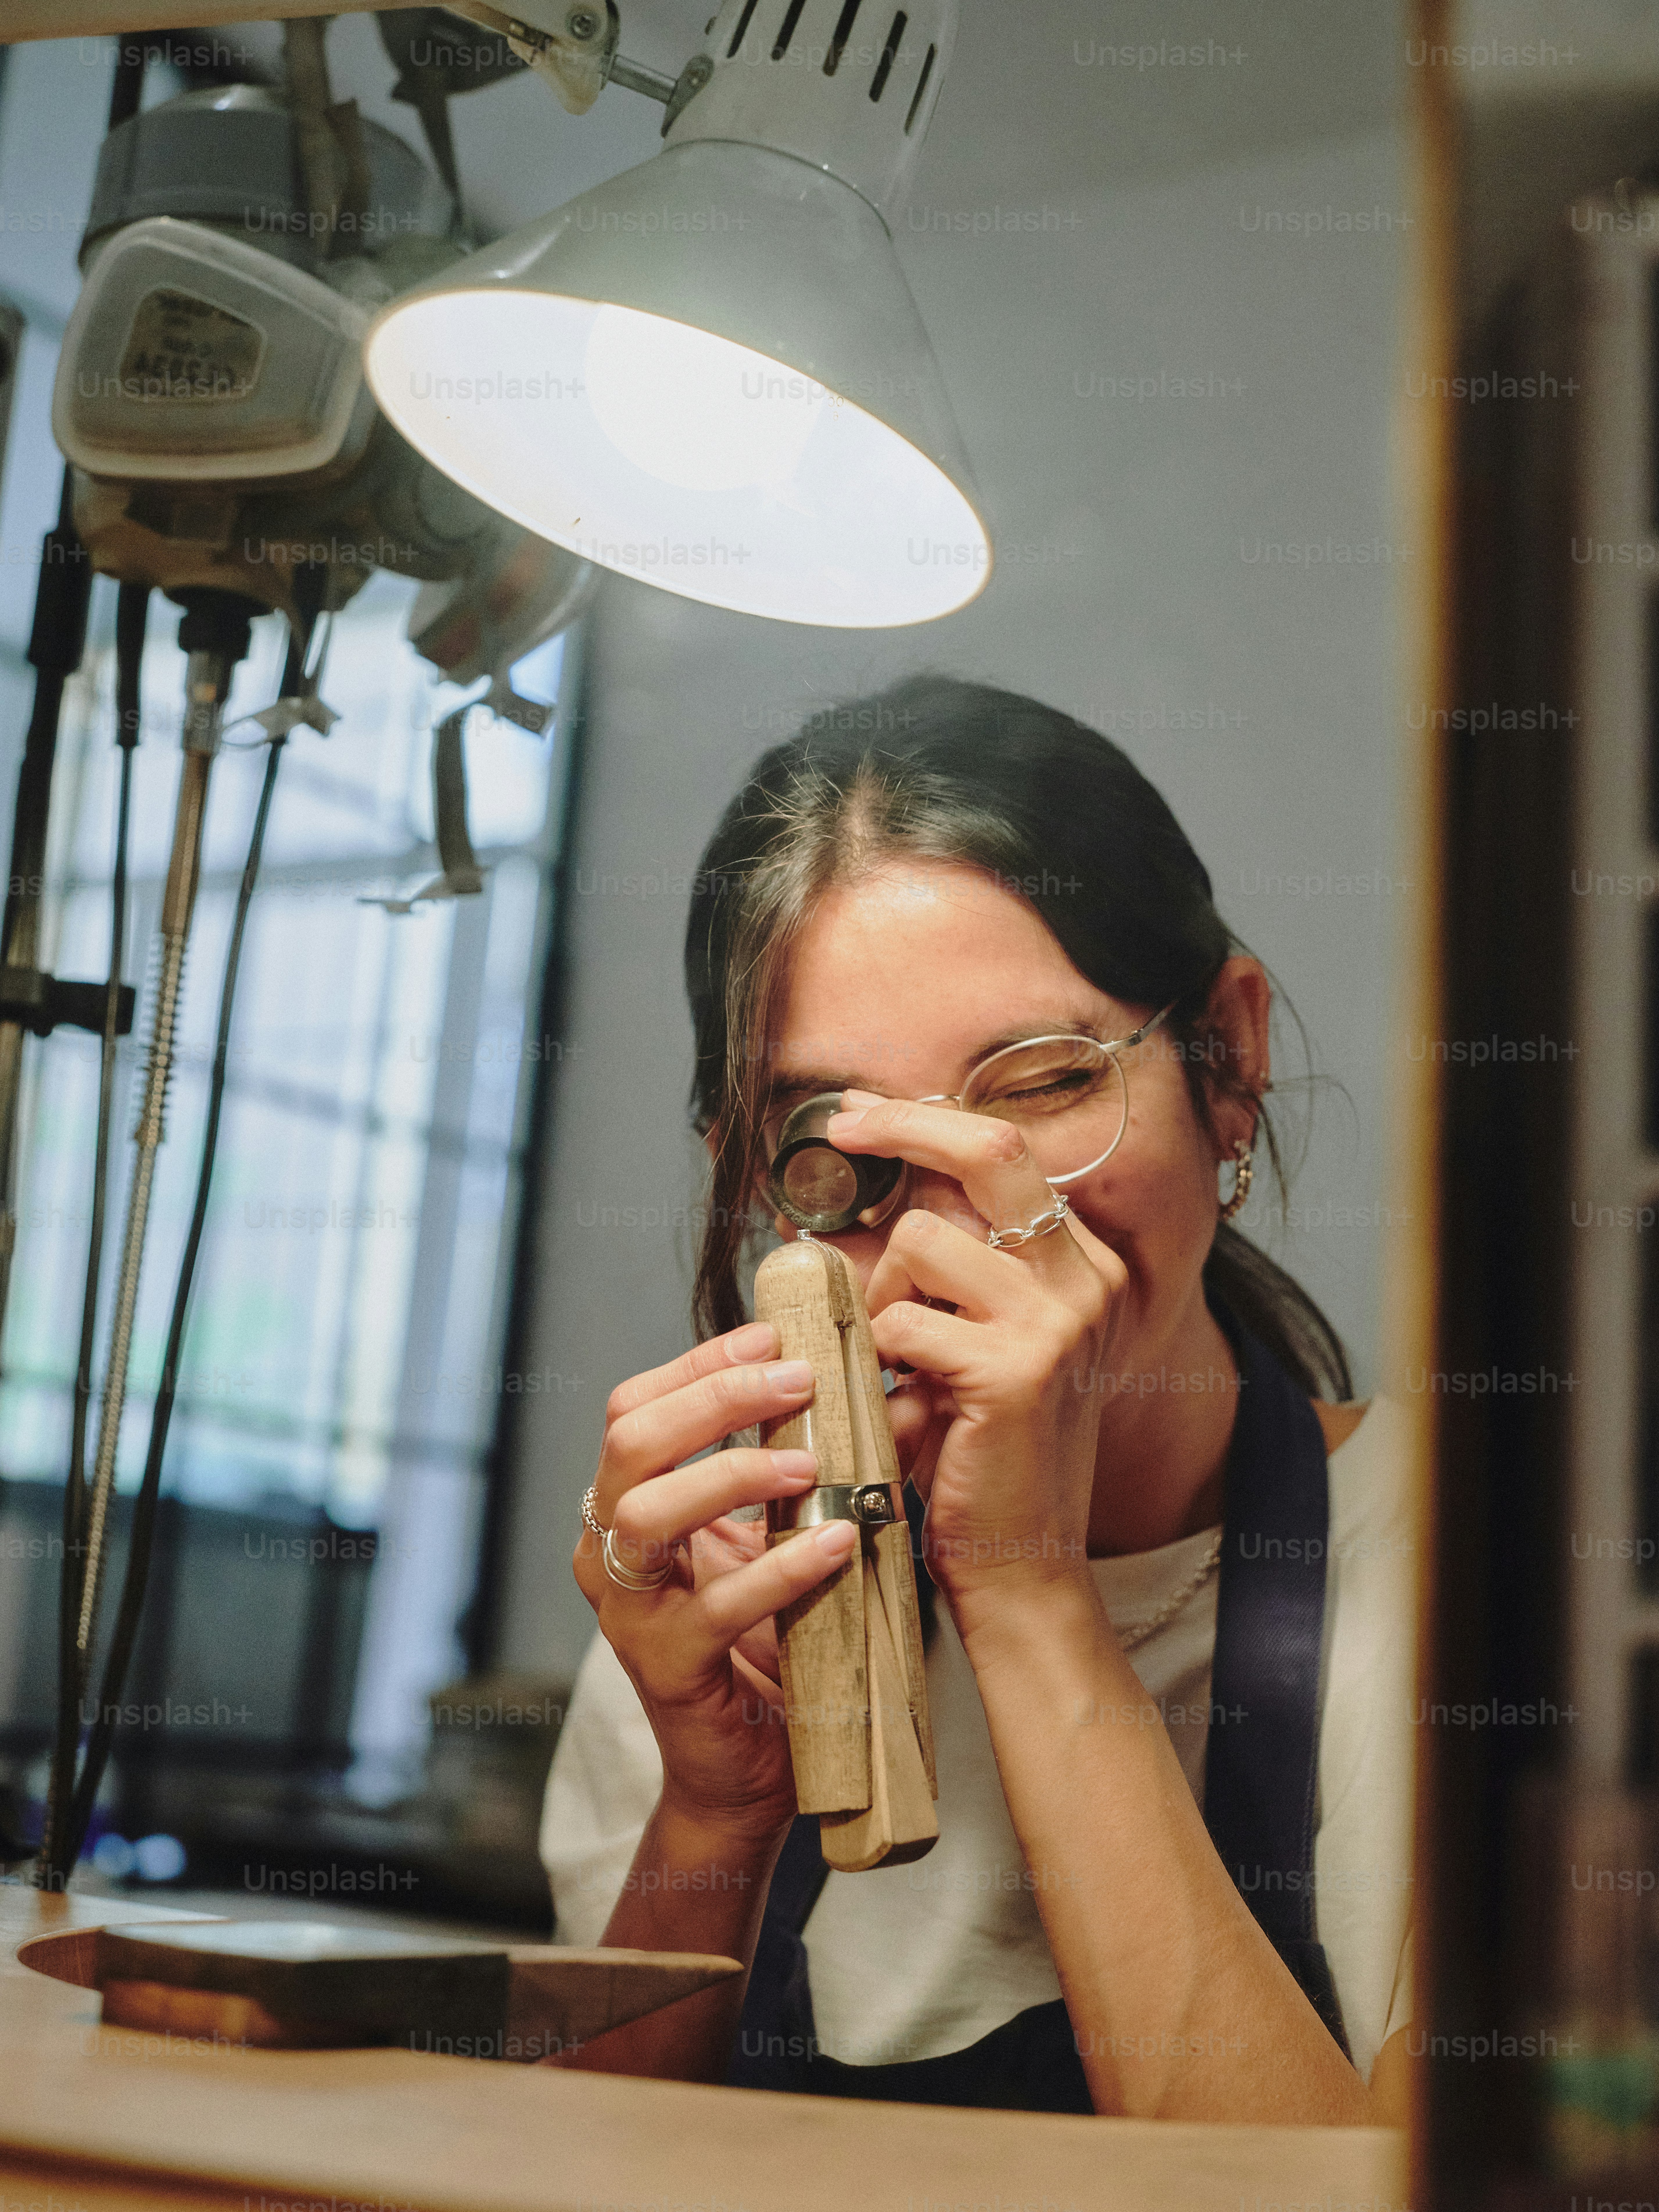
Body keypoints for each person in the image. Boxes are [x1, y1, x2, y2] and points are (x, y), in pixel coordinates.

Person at [539, 676, 1414, 2123]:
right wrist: (717, 1806)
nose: (961, 1220)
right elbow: (583, 2170)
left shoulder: (1493, 1576)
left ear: (1232, 1060)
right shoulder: (726, 1574)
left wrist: (1028, 1588)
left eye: (1041, 1083)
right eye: (840, 1145)